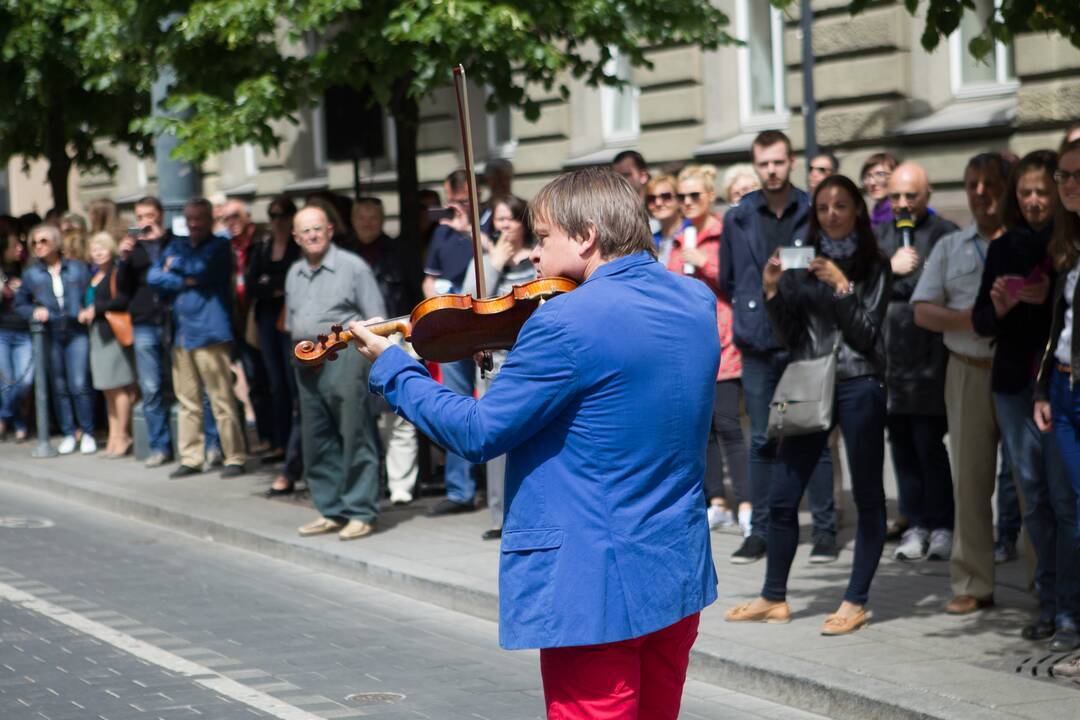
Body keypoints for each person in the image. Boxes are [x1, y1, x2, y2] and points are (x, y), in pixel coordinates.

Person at [349, 167, 718, 719]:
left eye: (543, 239)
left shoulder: (565, 321)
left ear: (587, 235)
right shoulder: (695, 300)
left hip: (592, 580)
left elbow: (477, 432)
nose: (532, 257)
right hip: (673, 566)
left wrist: (396, 368)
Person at [725, 174, 890, 635]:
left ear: (857, 210)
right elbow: (793, 337)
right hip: (807, 378)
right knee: (782, 494)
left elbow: (869, 337)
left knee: (868, 495)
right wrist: (773, 290)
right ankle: (773, 596)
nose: (831, 215)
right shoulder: (804, 262)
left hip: (859, 382)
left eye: (840, 206)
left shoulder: (875, 264)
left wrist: (841, 287)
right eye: (823, 208)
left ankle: (855, 600)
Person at [975, 149, 1080, 651]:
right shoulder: (1005, 246)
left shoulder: (1066, 244)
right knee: (1033, 498)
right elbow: (980, 322)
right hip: (1017, 385)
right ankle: (1049, 601)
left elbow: (1063, 323)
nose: (1036, 200)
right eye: (1027, 192)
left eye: (1044, 190)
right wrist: (1001, 304)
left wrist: (1044, 298)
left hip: (1056, 385)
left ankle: (1066, 607)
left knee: (1063, 498)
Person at [719, 129, 837, 565]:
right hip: (757, 340)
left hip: (804, 337)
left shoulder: (812, 210)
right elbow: (731, 280)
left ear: (791, 162)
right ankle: (761, 532)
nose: (771, 170)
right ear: (755, 165)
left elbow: (825, 268)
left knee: (812, 434)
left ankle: (824, 531)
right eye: (763, 163)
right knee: (762, 440)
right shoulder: (739, 216)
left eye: (778, 162)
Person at [912, 152, 1011, 615]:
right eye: (972, 184)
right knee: (970, 482)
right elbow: (922, 309)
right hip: (967, 370)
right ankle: (973, 581)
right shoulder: (951, 247)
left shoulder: (1027, 244)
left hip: (1020, 375)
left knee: (1035, 485)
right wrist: (969, 319)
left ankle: (1047, 585)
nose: (980, 193)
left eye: (990, 183)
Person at [286, 206, 386, 541]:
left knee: (354, 431)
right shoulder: (294, 272)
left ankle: (361, 510)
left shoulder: (353, 267)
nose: (312, 235)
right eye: (305, 231)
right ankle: (331, 508)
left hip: (343, 356)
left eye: (318, 228)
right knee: (316, 436)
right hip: (306, 358)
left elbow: (377, 320)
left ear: (330, 230)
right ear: (296, 238)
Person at [874, 163, 958, 560]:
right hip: (890, 363)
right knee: (902, 446)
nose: (903, 204)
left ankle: (943, 525)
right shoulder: (878, 236)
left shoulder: (944, 236)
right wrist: (888, 270)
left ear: (928, 195)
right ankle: (915, 522)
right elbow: (862, 287)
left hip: (932, 362)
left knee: (929, 445)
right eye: (895, 197)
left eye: (911, 196)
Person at [668, 165, 748, 535]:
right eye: (680, 196)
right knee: (705, 430)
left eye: (693, 196)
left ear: (710, 196)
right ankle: (717, 501)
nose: (686, 203)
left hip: (724, 341)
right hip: (688, 346)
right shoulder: (677, 239)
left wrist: (704, 262)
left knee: (730, 424)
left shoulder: (723, 231)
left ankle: (747, 502)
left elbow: (738, 280)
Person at [148, 198, 247, 478]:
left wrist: (175, 268)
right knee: (187, 400)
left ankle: (234, 456)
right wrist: (180, 278)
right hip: (182, 334)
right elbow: (154, 276)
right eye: (189, 218)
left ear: (209, 220)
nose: (193, 224)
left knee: (221, 399)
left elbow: (203, 271)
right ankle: (191, 457)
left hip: (210, 332)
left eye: (199, 218)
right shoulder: (177, 245)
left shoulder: (219, 246)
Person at [460, 194, 537, 540]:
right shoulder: (486, 258)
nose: (505, 226)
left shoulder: (537, 258)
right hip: (497, 359)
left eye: (512, 219)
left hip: (529, 355)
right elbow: (467, 303)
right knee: (496, 439)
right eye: (500, 221)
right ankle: (498, 516)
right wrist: (491, 264)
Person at [1038, 139, 1080, 676]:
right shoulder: (1068, 244)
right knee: (1072, 511)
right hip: (1065, 390)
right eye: (1063, 175)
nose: (1067, 183)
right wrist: (1044, 389)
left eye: (1077, 175)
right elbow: (1060, 329)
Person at [422, 170, 481, 515]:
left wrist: (471, 232)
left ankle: (499, 486)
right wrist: (433, 303)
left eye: (460, 201)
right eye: (450, 200)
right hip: (452, 322)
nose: (453, 207)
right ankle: (460, 489)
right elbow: (430, 279)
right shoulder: (442, 231)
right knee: (456, 404)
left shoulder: (489, 224)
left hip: (487, 323)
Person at [15, 224, 95, 454]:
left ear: (56, 243)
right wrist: (33, 312)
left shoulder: (78, 268)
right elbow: (21, 302)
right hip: (51, 333)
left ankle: (87, 431)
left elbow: (92, 290)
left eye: (44, 241)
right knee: (59, 385)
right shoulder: (32, 273)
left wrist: (89, 308)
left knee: (79, 383)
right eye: (34, 243)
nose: (38, 246)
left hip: (76, 330)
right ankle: (69, 432)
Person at [246, 196, 302, 496]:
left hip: (290, 322)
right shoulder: (263, 248)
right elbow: (253, 284)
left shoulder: (297, 248)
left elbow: (289, 284)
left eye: (283, 214)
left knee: (293, 386)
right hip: (267, 320)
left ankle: (294, 450)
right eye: (273, 214)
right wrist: (273, 285)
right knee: (274, 384)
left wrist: (273, 283)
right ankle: (281, 443)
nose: (277, 219)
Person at [118, 196, 174, 467]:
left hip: (171, 320)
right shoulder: (134, 248)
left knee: (178, 385)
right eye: (139, 217)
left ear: (160, 215)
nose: (144, 222)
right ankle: (160, 446)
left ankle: (191, 446)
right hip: (143, 322)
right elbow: (122, 288)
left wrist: (160, 239)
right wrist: (124, 259)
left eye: (149, 216)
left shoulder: (173, 241)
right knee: (150, 387)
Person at [81, 232, 138, 458]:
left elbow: (123, 300)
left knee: (118, 387)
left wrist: (97, 309)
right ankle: (114, 436)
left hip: (112, 334)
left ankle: (123, 435)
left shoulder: (117, 272)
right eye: (94, 248)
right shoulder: (93, 275)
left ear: (111, 249)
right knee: (107, 389)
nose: (98, 253)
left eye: (102, 248)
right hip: (97, 334)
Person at [223, 198, 273, 453]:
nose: (231, 223)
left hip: (261, 319)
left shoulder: (262, 241)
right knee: (253, 380)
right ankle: (265, 437)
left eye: (235, 217)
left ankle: (277, 439)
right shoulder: (228, 248)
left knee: (270, 379)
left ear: (248, 217)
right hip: (239, 321)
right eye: (226, 219)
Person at [0, 216, 31, 441]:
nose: (20, 247)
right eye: (14, 245)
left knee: (25, 380)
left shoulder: (27, 268)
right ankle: (18, 422)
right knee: (6, 381)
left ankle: (3, 416)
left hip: (25, 332)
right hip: (3, 331)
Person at [646, 173, 688, 264]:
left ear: (679, 199)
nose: (658, 203)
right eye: (651, 198)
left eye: (666, 196)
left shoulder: (694, 231)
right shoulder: (649, 241)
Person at [862, 152, 899, 229]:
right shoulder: (873, 215)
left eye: (880, 174)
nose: (872, 182)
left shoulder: (901, 213)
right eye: (867, 176)